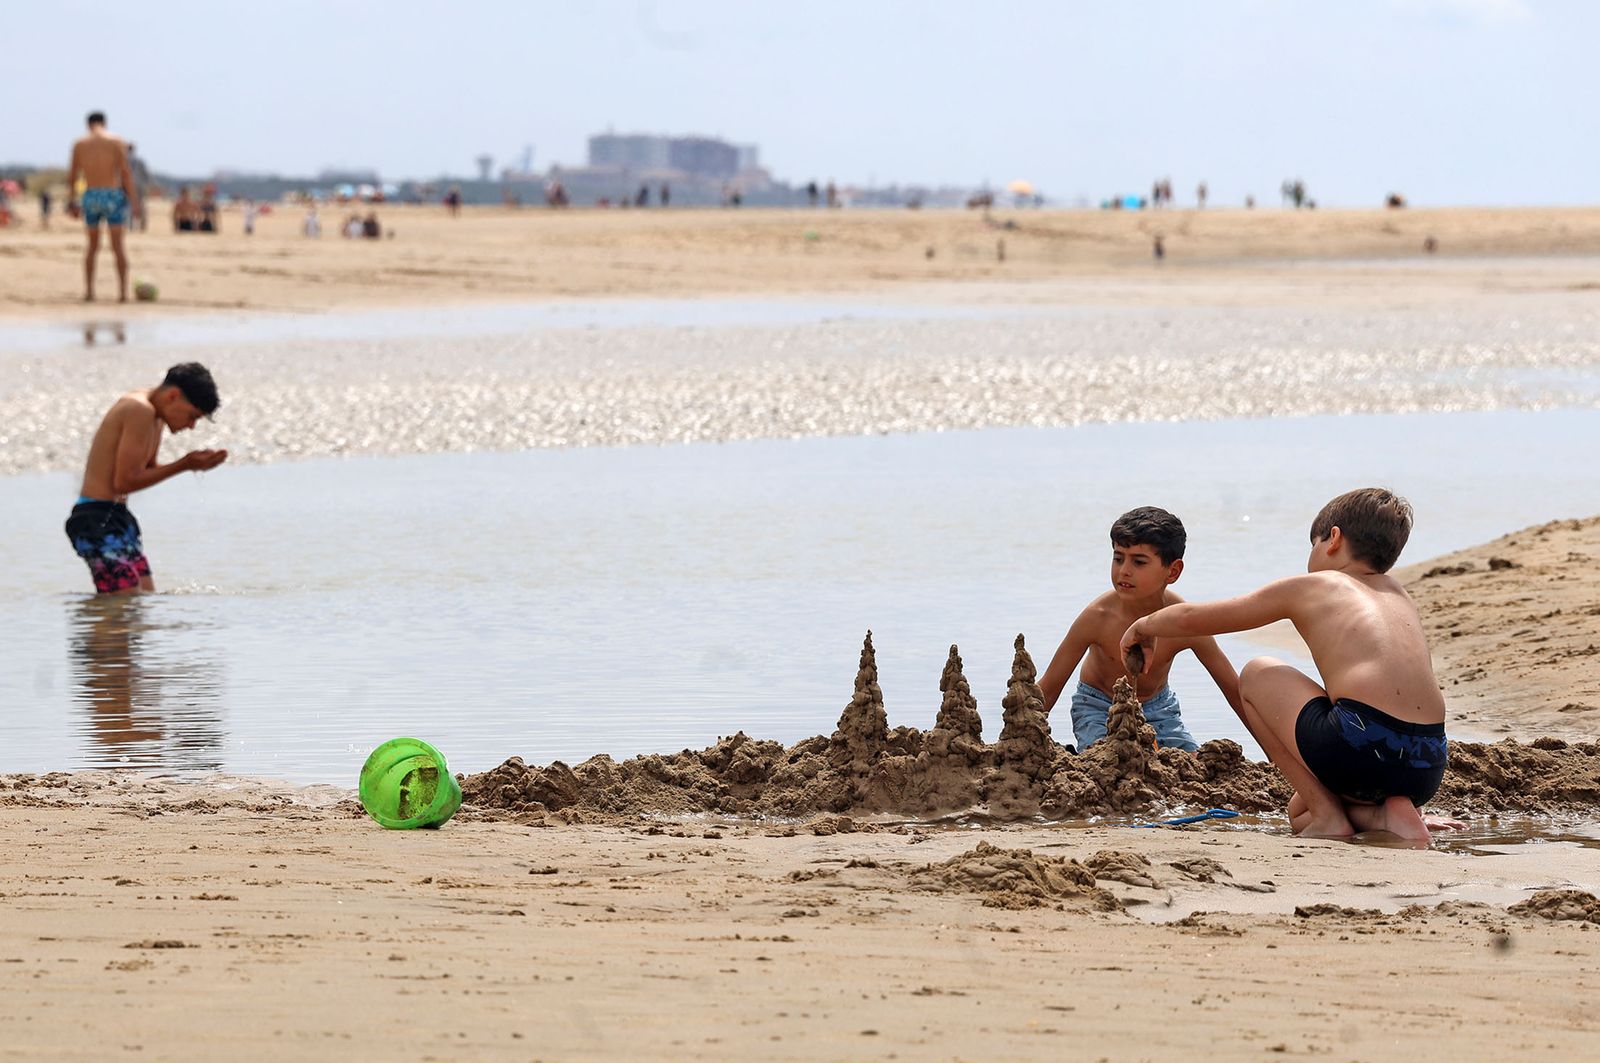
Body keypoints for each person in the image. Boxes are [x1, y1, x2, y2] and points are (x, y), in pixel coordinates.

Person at [1119, 488, 1448, 842]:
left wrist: (1144, 626)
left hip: (1361, 749)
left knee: (1257, 672)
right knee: (1297, 811)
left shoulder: (1314, 586)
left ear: (1334, 539)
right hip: (1426, 768)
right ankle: (1388, 812)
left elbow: (1197, 618)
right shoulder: (1399, 595)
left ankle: (1328, 816)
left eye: (1313, 544)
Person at [1039, 507, 1240, 752]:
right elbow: (1050, 687)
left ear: (1172, 571)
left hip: (1159, 708)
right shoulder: (1098, 617)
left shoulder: (1184, 621)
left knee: (1190, 761)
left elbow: (1234, 690)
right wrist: (1012, 745)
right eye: (1118, 558)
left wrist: (1274, 757)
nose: (1124, 570)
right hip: (1098, 706)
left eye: (1139, 562)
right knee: (1109, 759)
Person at [64, 363, 226, 595]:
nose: (191, 426)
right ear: (173, 396)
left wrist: (192, 464)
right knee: (124, 600)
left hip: (117, 517)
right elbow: (124, 482)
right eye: (192, 416)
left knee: (142, 600)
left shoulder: (156, 415)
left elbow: (146, 470)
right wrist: (184, 464)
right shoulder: (139, 409)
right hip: (95, 519)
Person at [66, 111, 138, 302]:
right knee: (118, 246)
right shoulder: (115, 141)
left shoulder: (80, 144)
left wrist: (71, 200)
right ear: (104, 123)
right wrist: (134, 202)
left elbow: (73, 175)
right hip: (112, 194)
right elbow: (125, 172)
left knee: (92, 246)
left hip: (91, 195)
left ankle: (90, 292)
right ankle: (122, 293)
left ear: (88, 124)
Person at [127, 143, 151, 231]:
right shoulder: (140, 161)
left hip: (128, 185)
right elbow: (146, 175)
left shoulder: (123, 160)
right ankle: (142, 225)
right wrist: (146, 185)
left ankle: (130, 225)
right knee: (141, 204)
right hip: (140, 185)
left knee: (128, 205)